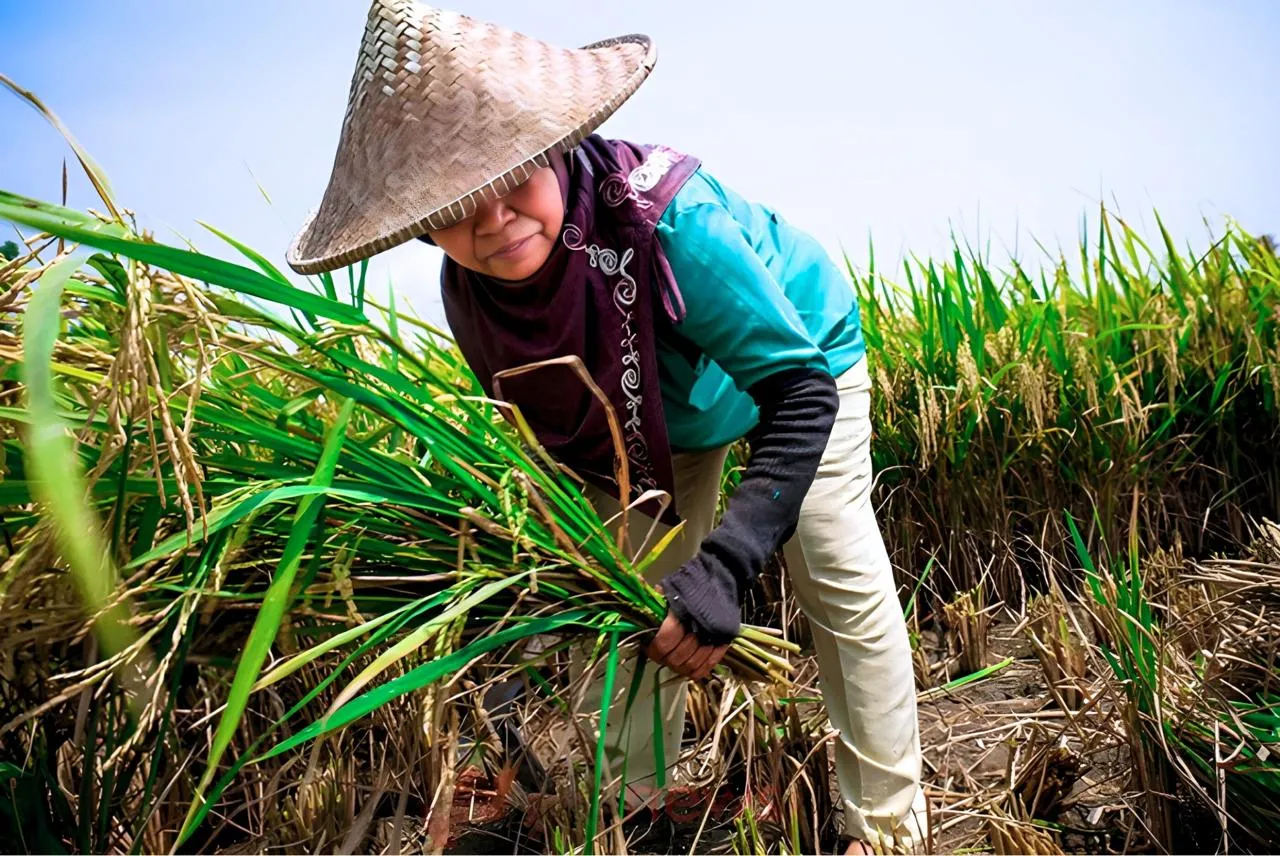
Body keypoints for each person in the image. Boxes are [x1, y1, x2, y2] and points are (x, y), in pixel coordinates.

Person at [285, 2, 927, 852]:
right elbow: (564, 454)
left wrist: (728, 565)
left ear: (556, 146)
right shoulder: (472, 297)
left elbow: (800, 393)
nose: (493, 220)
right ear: (416, 222)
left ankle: (886, 830)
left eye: (513, 176)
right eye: (454, 206)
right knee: (634, 604)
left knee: (834, 562)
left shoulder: (670, 221)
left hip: (799, 363)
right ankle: (639, 806)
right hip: (656, 422)